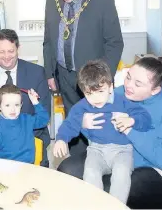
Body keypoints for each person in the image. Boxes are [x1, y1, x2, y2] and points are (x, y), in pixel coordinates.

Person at [57, 56, 162, 209]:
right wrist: (83, 123)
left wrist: (130, 130)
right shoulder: (118, 92)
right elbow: (95, 132)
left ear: (155, 90)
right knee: (67, 171)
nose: (128, 85)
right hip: (113, 154)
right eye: (128, 77)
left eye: (138, 84)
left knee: (110, 191)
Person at [43, 0, 124, 154]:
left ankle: (103, 164)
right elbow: (48, 41)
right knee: (74, 121)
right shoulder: (51, 3)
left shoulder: (102, 0)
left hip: (93, 79)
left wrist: (103, 77)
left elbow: (115, 42)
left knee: (97, 124)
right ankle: (79, 167)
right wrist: (49, 73)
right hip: (64, 76)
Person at [53, 60, 152, 203]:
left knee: (121, 173)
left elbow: (145, 119)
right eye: (89, 94)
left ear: (110, 87)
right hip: (96, 150)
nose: (96, 98)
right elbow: (69, 123)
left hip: (122, 150)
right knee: (90, 173)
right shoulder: (82, 107)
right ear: (83, 92)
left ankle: (115, 206)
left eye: (100, 91)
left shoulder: (123, 102)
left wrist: (132, 120)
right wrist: (61, 139)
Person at [0, 29, 51, 166]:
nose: (6, 56)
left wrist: (21, 139)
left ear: (18, 49)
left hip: (29, 141)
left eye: (11, 51)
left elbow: (44, 112)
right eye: (1, 52)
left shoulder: (37, 73)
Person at [0, 85, 49, 164]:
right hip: (3, 166)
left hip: (26, 166)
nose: (12, 109)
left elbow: (43, 120)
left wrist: (35, 102)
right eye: (7, 105)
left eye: (16, 105)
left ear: (21, 105)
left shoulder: (26, 119)